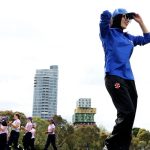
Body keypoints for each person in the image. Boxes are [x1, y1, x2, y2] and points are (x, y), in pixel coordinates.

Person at [99, 8, 150, 150]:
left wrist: (140, 22)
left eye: (129, 18)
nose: (128, 20)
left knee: (131, 114)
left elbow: (147, 38)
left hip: (129, 79)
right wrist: (112, 18)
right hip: (114, 76)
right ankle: (110, 145)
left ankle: (122, 147)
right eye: (125, 17)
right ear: (116, 18)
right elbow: (104, 15)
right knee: (126, 111)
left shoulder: (128, 38)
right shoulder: (108, 34)